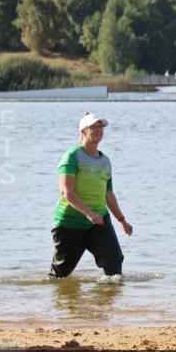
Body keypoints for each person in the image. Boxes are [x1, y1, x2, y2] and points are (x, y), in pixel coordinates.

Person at [49, 112, 133, 278]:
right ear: (83, 131)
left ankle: (110, 295)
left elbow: (108, 194)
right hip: (70, 223)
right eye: (93, 127)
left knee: (114, 262)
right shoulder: (72, 156)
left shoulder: (105, 161)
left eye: (100, 127)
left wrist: (122, 220)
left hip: (99, 221)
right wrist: (89, 213)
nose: (98, 129)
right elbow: (67, 192)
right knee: (61, 275)